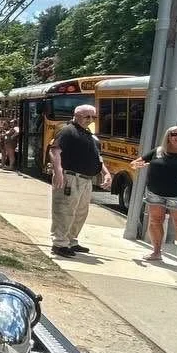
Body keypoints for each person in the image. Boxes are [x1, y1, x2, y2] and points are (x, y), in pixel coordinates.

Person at [131, 125, 177, 269]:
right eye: (174, 134)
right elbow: (135, 162)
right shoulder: (159, 151)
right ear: (168, 136)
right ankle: (156, 252)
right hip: (155, 193)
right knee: (154, 221)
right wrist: (136, 165)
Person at [48, 104, 111, 257]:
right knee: (65, 210)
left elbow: (98, 158)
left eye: (93, 117)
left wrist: (106, 173)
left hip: (86, 180)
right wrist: (58, 172)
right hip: (70, 178)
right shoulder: (67, 131)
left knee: (80, 213)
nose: (90, 120)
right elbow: (55, 151)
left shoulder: (90, 135)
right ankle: (60, 243)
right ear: (76, 115)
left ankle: (71, 240)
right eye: (86, 116)